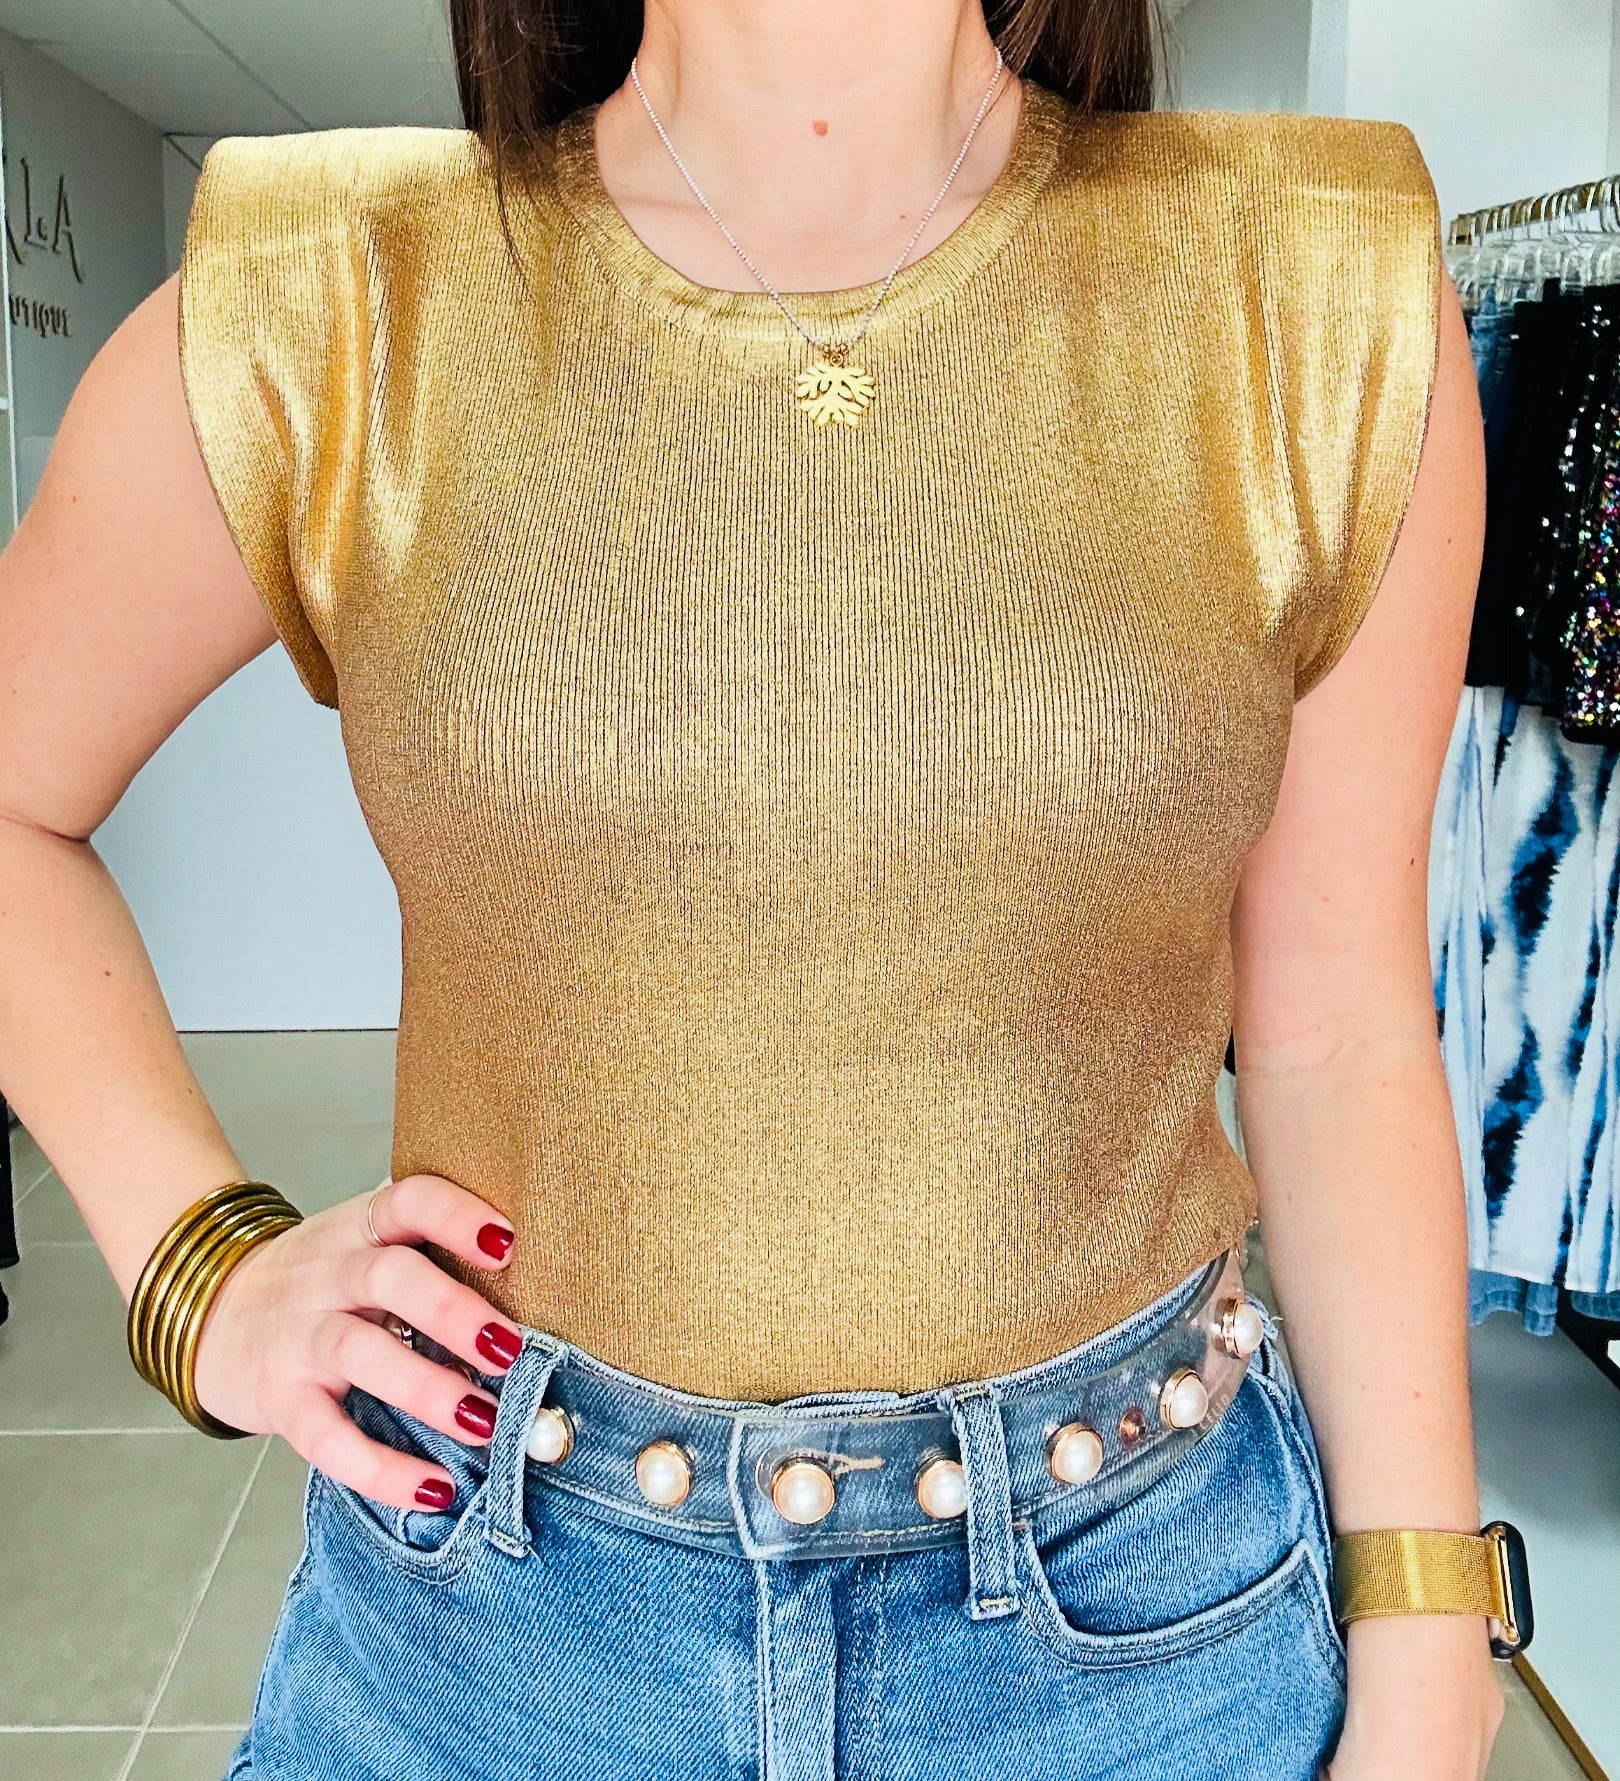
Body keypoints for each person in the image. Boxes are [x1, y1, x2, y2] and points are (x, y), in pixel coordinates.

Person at [0, 1, 1503, 1776]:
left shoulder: (1310, 289)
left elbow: (1335, 1028)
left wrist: (1430, 1625)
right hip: (485, 1650)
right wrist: (201, 1270)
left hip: (1145, 1645)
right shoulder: (335, 291)